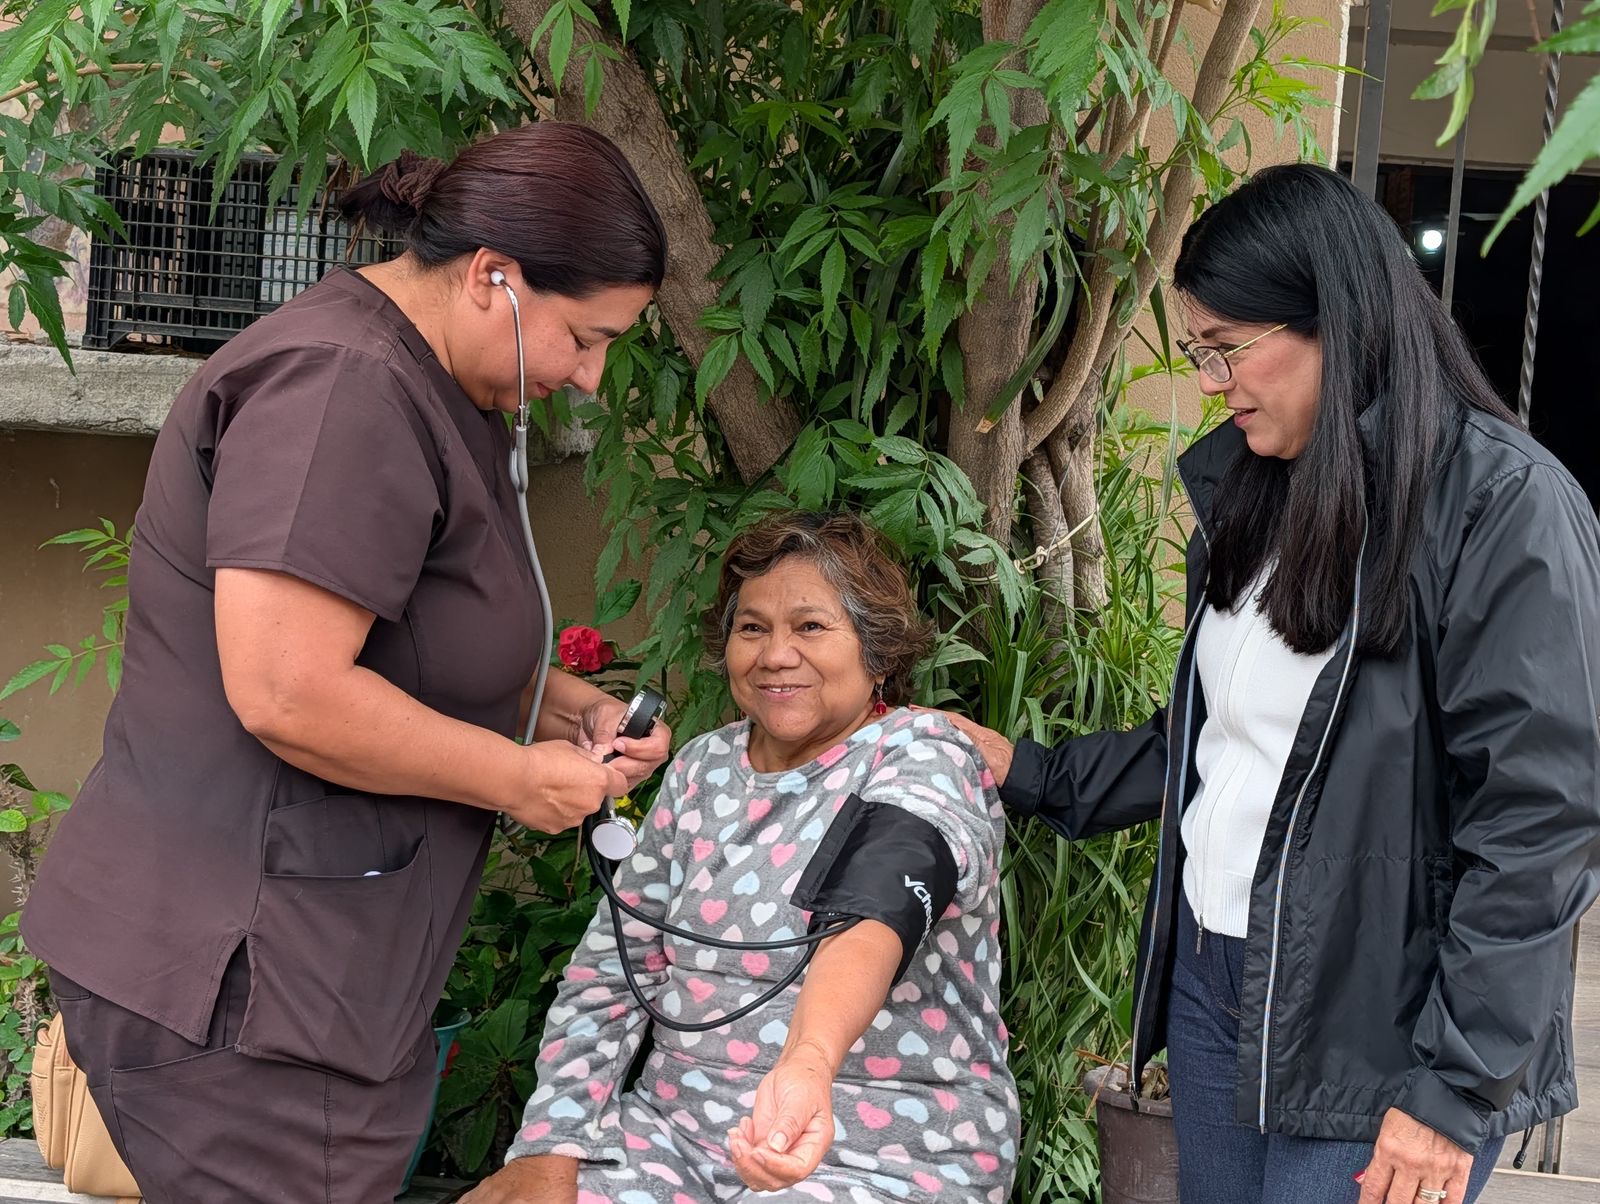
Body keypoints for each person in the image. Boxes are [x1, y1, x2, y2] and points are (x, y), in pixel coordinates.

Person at [21, 122, 673, 1202]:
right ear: (492, 278)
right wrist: (518, 779)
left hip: (315, 982)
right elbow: (287, 688)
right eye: (584, 336)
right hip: (244, 990)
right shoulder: (343, 391)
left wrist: (551, 710)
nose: (593, 377)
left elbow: (397, 635)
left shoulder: (434, 384)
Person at [945, 163, 1600, 1204]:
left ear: (1337, 320)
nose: (1212, 381)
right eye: (1201, 350)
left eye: (1227, 348)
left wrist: (1457, 1088)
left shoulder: (1502, 506)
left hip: (1376, 1026)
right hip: (1217, 987)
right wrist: (1028, 770)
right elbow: (1215, 743)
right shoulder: (1257, 493)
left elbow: (1535, 825)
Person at [464, 511, 1020, 1204]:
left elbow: (881, 901)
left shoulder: (924, 754)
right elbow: (611, 973)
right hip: (675, 1139)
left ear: (877, 651)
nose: (775, 655)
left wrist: (809, 1061)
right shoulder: (703, 768)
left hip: (876, 1149)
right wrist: (550, 1147)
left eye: (811, 627)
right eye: (752, 628)